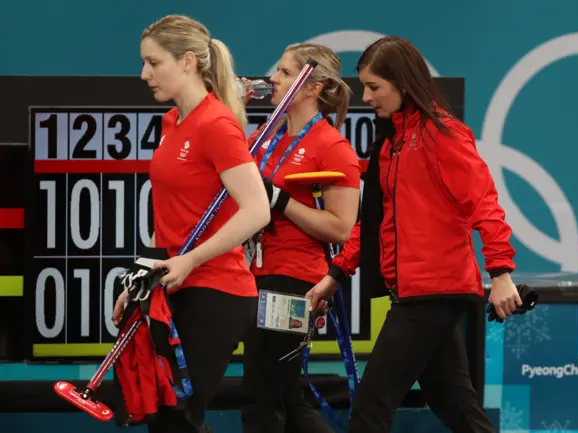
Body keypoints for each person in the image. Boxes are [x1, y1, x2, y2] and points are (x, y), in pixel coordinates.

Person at [305, 36, 522, 433]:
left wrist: (501, 271)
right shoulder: (392, 145)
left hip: (433, 293)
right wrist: (336, 274)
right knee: (454, 404)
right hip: (413, 292)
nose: (366, 97)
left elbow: (483, 202)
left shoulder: (443, 134)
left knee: (371, 406)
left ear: (403, 84)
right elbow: (374, 225)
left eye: (374, 87)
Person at [112, 14, 271, 433]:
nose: (144, 74)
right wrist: (140, 277)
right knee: (163, 417)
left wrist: (191, 259)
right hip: (171, 284)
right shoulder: (172, 122)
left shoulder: (216, 124)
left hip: (217, 289)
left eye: (153, 62)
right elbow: (169, 218)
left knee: (180, 418)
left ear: (186, 61)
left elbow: (257, 210)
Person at [239, 43, 362, 433]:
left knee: (263, 394)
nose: (273, 78)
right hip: (254, 275)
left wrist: (281, 201)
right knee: (286, 395)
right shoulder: (265, 136)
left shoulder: (332, 147)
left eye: (285, 73)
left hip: (293, 283)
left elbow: (342, 228)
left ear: (312, 87)